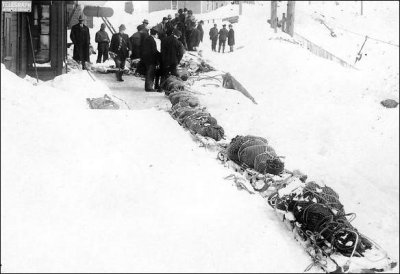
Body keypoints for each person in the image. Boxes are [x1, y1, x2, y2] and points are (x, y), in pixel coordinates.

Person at [141, 27, 161, 91]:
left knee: (148, 73)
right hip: (151, 60)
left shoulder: (147, 39)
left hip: (146, 59)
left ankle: (148, 86)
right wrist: (159, 56)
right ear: (155, 34)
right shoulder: (152, 40)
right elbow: (154, 51)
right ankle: (149, 87)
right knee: (150, 74)